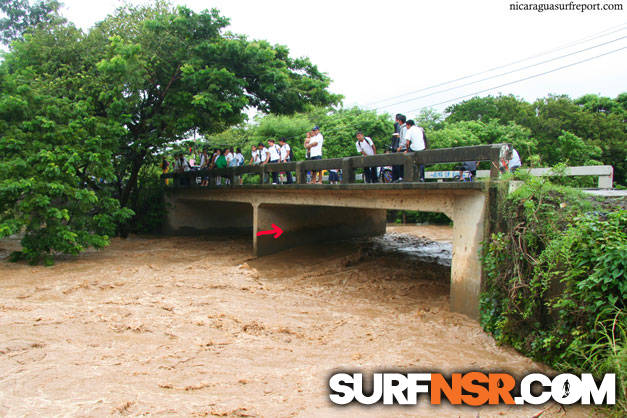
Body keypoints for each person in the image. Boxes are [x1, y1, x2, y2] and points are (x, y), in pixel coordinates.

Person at [392, 114, 407, 182]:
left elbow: (404, 139)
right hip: (403, 146)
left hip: (403, 147)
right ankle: (401, 177)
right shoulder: (403, 127)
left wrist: (400, 147)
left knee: (401, 163)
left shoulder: (403, 128)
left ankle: (401, 177)